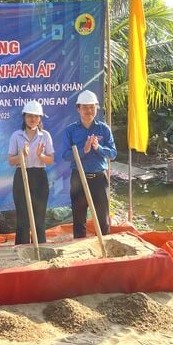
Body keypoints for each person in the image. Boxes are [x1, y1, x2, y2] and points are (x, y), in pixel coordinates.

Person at [61, 90, 117, 238]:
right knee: (79, 219)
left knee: (103, 218)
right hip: (78, 178)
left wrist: (98, 148)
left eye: (91, 107)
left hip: (99, 179)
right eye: (84, 107)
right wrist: (83, 151)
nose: (88, 110)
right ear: (78, 109)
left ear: (96, 108)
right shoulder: (70, 131)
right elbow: (66, 156)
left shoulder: (103, 129)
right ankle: (79, 251)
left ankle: (104, 247)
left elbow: (113, 153)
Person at [8, 100, 54, 244]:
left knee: (39, 216)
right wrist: (22, 155)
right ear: (24, 117)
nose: (32, 119)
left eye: (36, 116)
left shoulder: (45, 135)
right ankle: (21, 250)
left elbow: (51, 160)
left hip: (39, 176)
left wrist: (41, 156)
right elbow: (11, 161)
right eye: (29, 116)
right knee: (23, 217)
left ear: (40, 118)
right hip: (21, 175)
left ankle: (40, 247)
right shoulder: (16, 135)